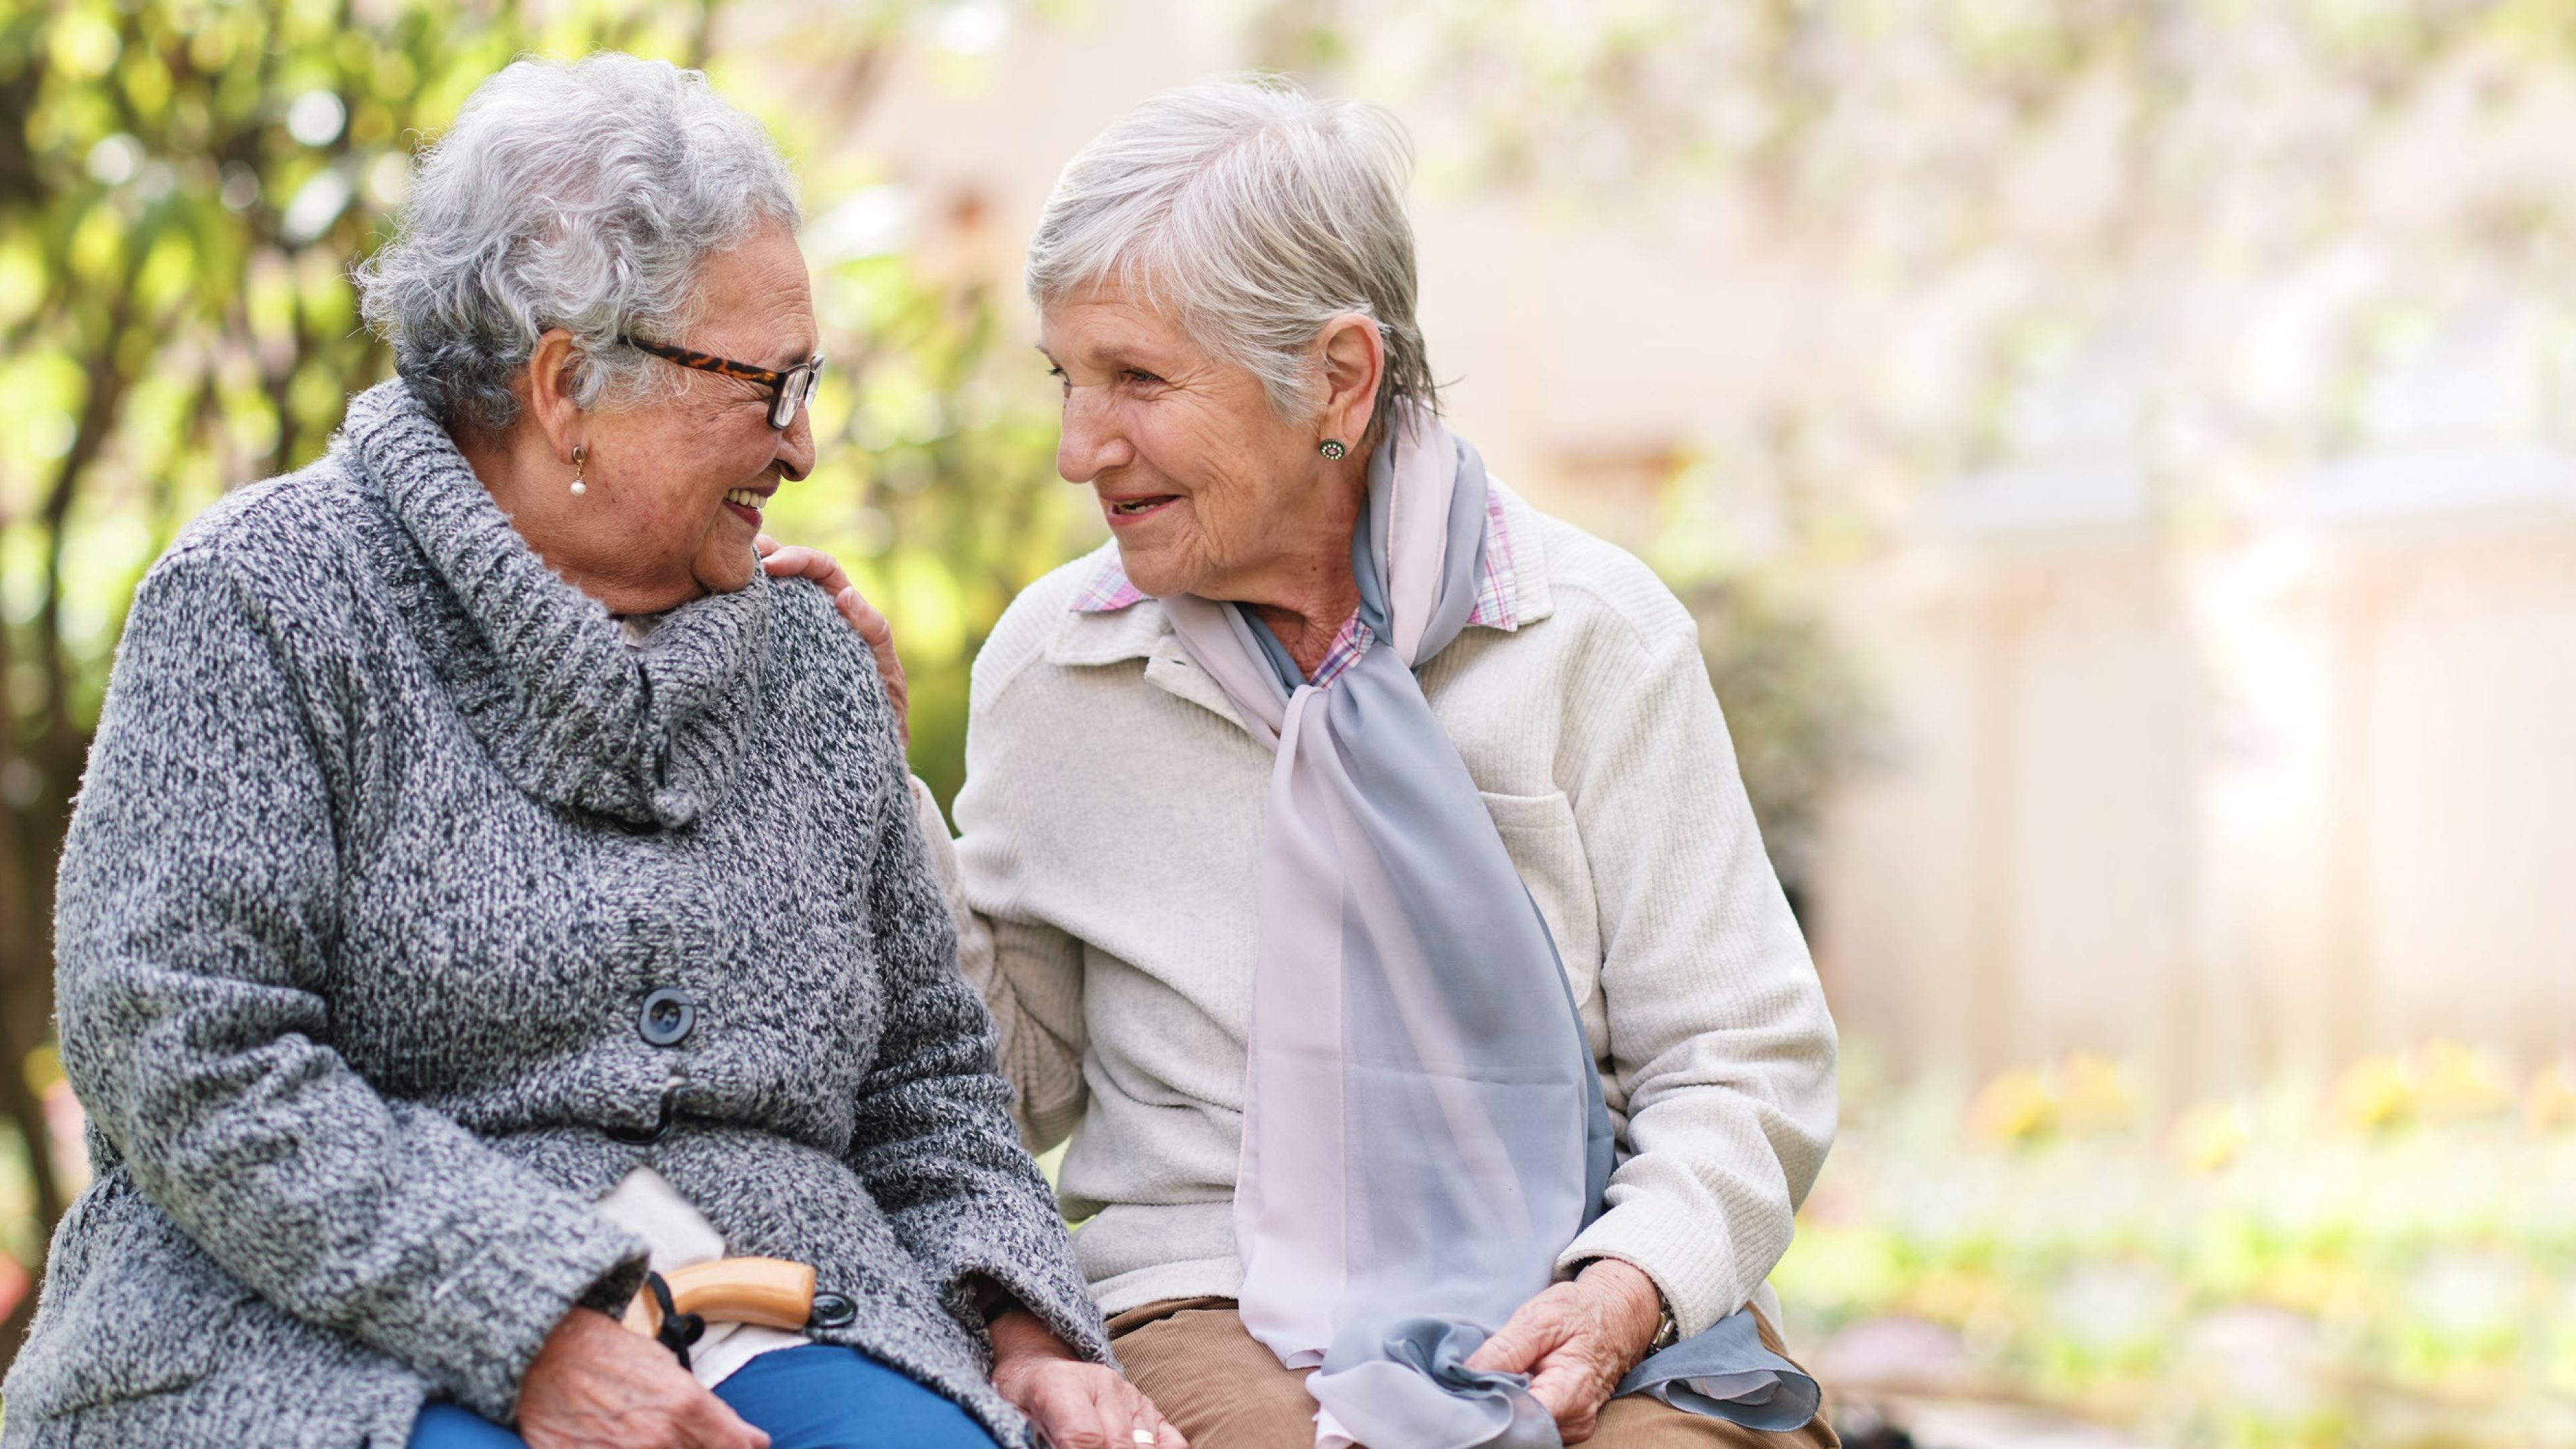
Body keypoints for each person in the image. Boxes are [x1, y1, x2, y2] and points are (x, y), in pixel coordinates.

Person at [0, 54, 1180, 1449]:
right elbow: (190, 1059)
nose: (802, 446)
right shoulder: (261, 605)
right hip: (334, 1325)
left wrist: (1030, 1336)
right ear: (567, 387)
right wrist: (529, 1323)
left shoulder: (804, 661)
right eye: (771, 386)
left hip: (790, 1303)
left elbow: (926, 1082)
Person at [777, 77, 1844, 1449]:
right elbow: (1008, 1082)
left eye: (1138, 381)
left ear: (1336, 376)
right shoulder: (1059, 668)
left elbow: (1738, 1056)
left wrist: (1625, 1288)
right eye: (1068, 378)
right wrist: (874, 787)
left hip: (1587, 1276)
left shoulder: (1591, 639)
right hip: (1207, 1292)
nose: (1076, 450)